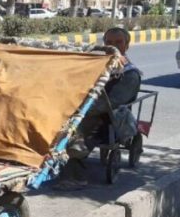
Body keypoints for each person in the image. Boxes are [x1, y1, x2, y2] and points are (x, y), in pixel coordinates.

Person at [57, 27, 142, 189]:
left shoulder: (130, 74)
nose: (113, 46)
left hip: (110, 119)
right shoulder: (99, 66)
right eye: (109, 42)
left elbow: (110, 104)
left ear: (127, 45)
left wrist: (77, 112)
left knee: (75, 136)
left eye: (118, 42)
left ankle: (76, 177)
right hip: (87, 112)